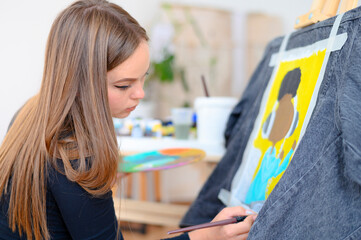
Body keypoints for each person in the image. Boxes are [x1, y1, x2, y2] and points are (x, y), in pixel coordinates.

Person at [0, 1, 256, 239]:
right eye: (124, 85)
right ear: (80, 84)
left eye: (144, 76)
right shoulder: (77, 155)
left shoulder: (30, 113)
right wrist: (206, 235)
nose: (140, 94)